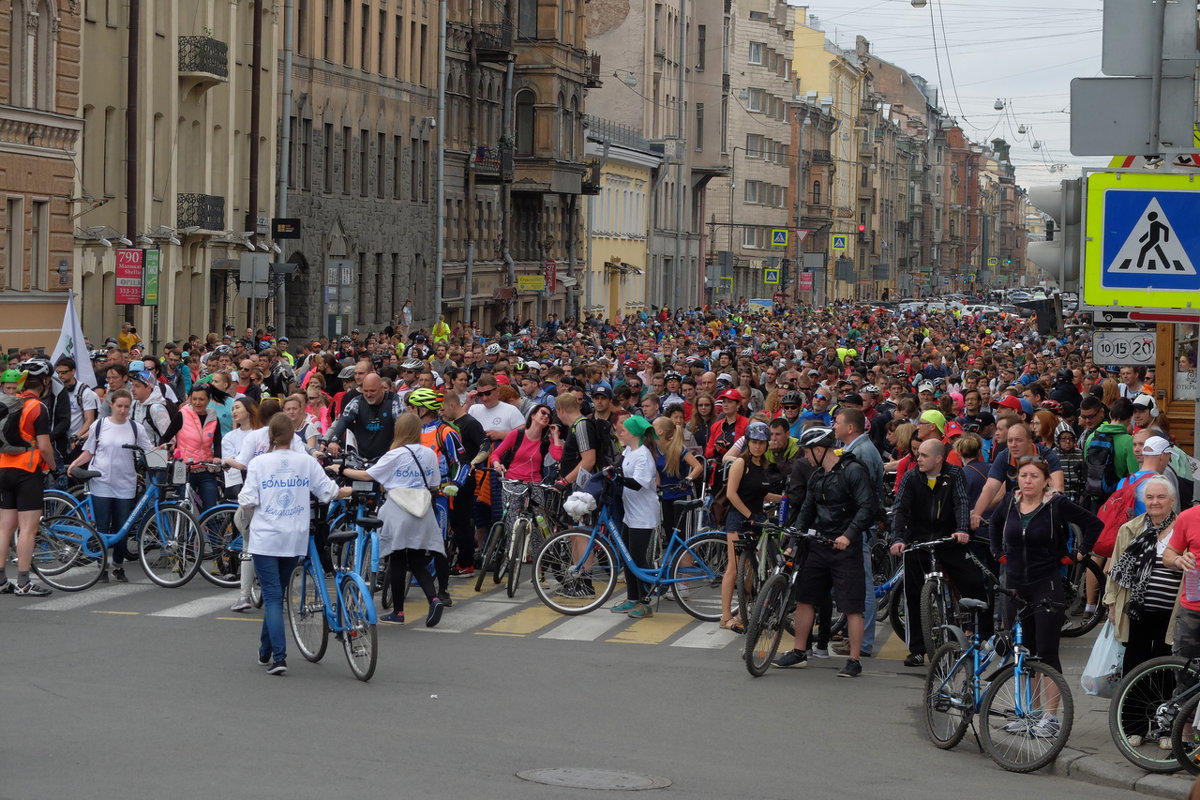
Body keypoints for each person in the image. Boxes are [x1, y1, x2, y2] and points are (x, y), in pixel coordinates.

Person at [989, 456, 1102, 732]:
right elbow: (993, 524)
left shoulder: (1056, 504)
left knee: (1047, 653)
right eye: (1024, 475)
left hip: (1046, 584)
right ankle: (1030, 713)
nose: (1028, 481)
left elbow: (1094, 524)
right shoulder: (1010, 501)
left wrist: (1081, 552)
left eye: (1034, 476)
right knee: (1024, 652)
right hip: (1016, 586)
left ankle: (1050, 718)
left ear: (1046, 481)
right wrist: (997, 552)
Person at [238, 413, 351, 675]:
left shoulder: (259, 463)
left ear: (270, 436)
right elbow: (327, 491)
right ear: (293, 436)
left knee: (273, 596)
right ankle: (266, 650)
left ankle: (279, 656)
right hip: (294, 536)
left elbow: (247, 499)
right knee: (276, 592)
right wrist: (346, 491)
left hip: (266, 537)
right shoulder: (305, 462)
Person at [774, 426, 875, 677]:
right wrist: (793, 540)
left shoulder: (853, 471)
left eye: (807, 452)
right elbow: (807, 510)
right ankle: (799, 652)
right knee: (805, 598)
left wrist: (848, 535)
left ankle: (854, 661)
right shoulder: (817, 476)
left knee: (852, 606)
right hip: (819, 545)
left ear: (820, 450)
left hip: (845, 548)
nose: (805, 457)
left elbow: (867, 507)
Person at [342, 412, 448, 627]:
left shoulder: (395, 454)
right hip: (422, 510)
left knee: (397, 559)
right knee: (418, 562)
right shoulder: (428, 453)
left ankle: (398, 612)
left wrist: (342, 469)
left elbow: (367, 475)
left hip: (398, 511)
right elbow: (434, 482)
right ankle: (434, 599)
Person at [891, 439, 986, 666]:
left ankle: (983, 636)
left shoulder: (954, 475)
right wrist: (898, 538)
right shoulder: (911, 477)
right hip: (918, 542)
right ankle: (916, 649)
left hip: (949, 539)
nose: (918, 459)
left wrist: (962, 530)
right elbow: (900, 509)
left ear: (938, 459)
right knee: (912, 595)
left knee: (974, 582)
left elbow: (961, 503)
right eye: (918, 455)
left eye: (924, 455)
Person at [66, 388, 152, 583]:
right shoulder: (99, 425)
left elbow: (148, 450)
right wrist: (74, 464)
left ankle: (118, 566)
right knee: (103, 526)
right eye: (119, 406)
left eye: (126, 407)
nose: (122, 410)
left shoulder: (135, 427)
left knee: (122, 527)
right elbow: (89, 451)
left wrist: (164, 452)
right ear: (111, 405)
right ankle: (102, 566)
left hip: (126, 483)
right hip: (101, 482)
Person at [1104, 476, 1182, 681]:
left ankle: (1162, 711)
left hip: (1171, 612)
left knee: (1164, 664)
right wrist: (1111, 604)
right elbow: (1115, 569)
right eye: (1150, 497)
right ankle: (1130, 712)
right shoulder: (1130, 529)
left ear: (1172, 501)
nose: (1155, 501)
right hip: (1136, 610)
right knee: (1134, 663)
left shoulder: (1182, 529)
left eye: (1161, 497)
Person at [0, 360, 57, 595]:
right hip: (28, 470)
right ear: (44, 382)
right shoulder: (37, 408)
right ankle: (23, 582)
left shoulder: (10, 403)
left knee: (4, 528)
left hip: (3, 467)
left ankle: (1, 579)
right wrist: (53, 467)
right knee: (27, 529)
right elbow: (44, 446)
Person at [719, 421, 781, 632]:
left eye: (761, 442)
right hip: (739, 520)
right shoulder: (740, 463)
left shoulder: (762, 465)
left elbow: (761, 494)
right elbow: (731, 494)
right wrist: (749, 515)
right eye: (754, 442)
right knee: (734, 569)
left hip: (756, 520)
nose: (757, 446)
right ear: (747, 442)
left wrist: (784, 498)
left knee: (751, 568)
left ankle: (743, 610)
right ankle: (726, 616)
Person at [609, 415, 661, 619]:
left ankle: (646, 601)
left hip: (643, 514)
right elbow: (619, 466)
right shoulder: (629, 450)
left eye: (625, 429)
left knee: (638, 558)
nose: (621, 431)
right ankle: (632, 598)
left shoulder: (644, 455)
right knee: (626, 556)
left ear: (635, 434)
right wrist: (611, 471)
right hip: (630, 513)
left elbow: (638, 483)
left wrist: (619, 478)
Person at [176, 384, 223, 513]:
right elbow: (167, 437)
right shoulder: (182, 415)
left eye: (201, 399)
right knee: (184, 510)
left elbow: (217, 441)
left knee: (210, 509)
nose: (197, 403)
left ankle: (209, 533)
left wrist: (217, 457)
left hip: (206, 469)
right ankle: (183, 533)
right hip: (186, 470)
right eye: (194, 399)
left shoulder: (213, 418)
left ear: (208, 400)